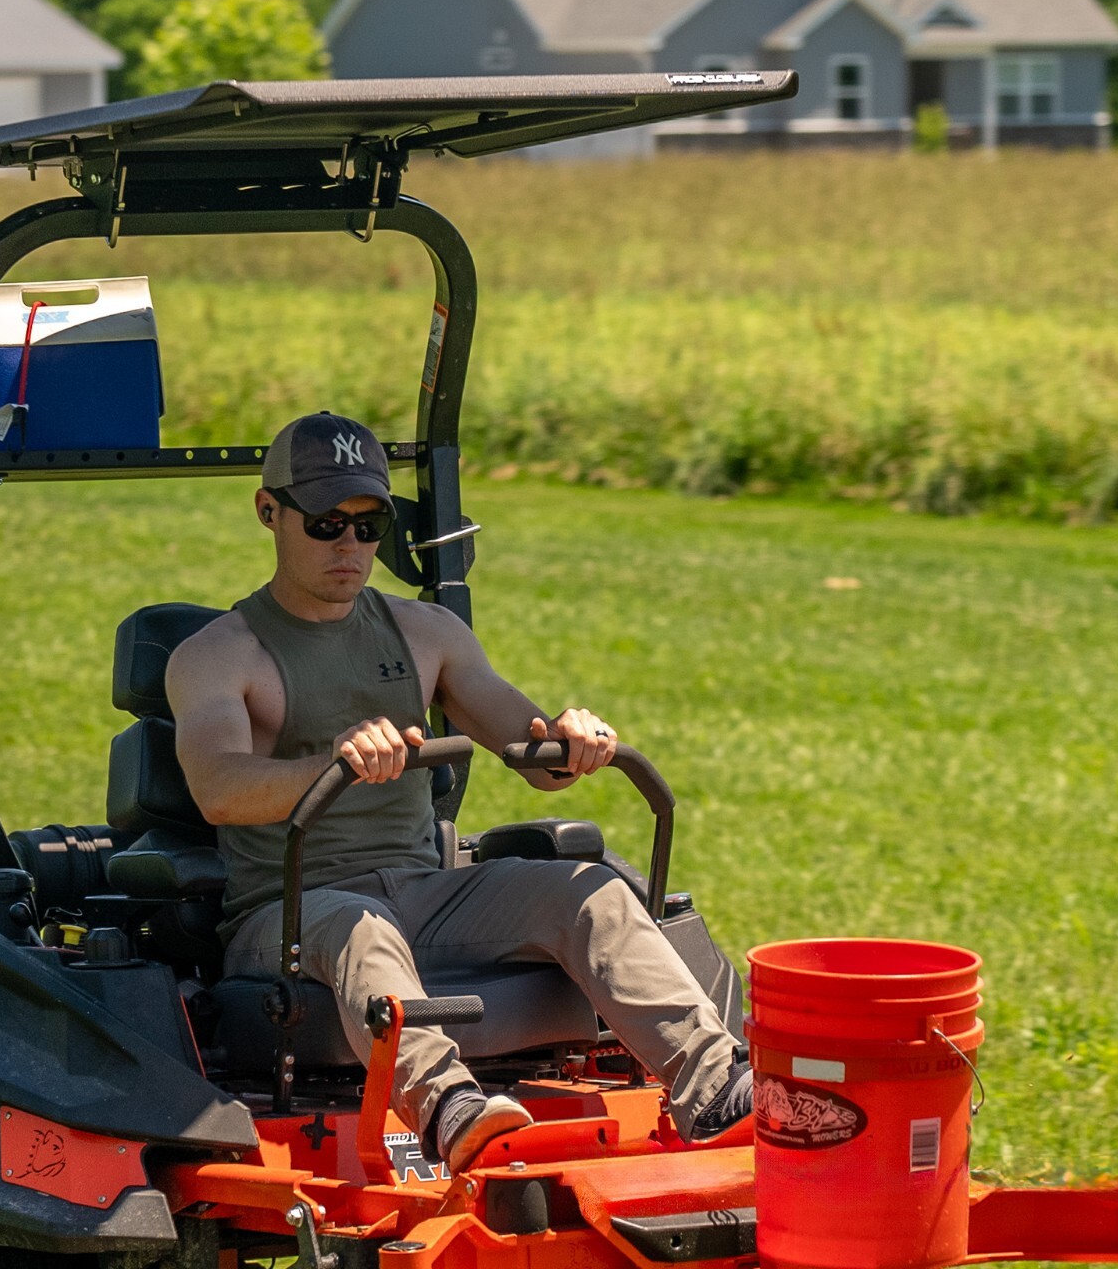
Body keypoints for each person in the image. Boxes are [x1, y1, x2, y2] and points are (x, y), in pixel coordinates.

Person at [166, 412, 751, 1173]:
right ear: (268, 512)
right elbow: (218, 789)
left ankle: (716, 1090)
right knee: (360, 927)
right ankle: (453, 1110)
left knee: (593, 892)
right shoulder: (217, 654)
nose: (350, 546)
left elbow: (531, 748)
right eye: (326, 523)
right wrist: (333, 763)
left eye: (369, 523)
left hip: (424, 892)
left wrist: (570, 739)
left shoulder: (426, 632)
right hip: (289, 912)